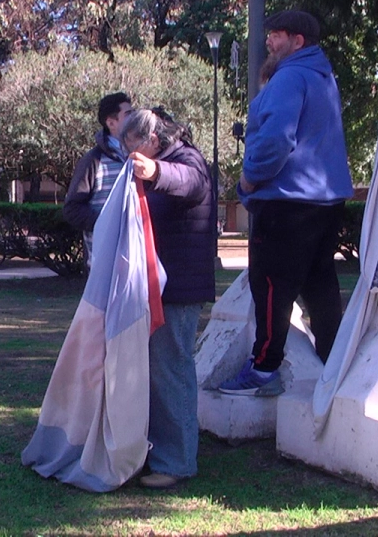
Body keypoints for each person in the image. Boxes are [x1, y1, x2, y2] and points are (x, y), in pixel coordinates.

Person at [218, 10, 353, 396]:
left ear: (298, 41)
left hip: (286, 201)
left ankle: (263, 368)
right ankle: (333, 364)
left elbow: (276, 138)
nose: (269, 41)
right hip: (325, 199)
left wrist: (249, 177)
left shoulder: (289, 76)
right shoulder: (323, 77)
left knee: (271, 285)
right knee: (320, 282)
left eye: (277, 35)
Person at [121, 107, 216, 488]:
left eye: (133, 147)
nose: (130, 155)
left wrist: (155, 172)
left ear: (153, 140)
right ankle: (161, 453)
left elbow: (189, 183)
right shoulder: (173, 158)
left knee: (171, 370)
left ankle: (175, 462)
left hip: (178, 288)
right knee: (161, 371)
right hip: (164, 286)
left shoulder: (187, 160)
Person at [64, 92, 133, 264]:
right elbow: (72, 209)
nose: (134, 119)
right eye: (128, 114)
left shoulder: (139, 157)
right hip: (103, 264)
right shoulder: (93, 160)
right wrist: (107, 223)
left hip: (135, 263)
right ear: (111, 123)